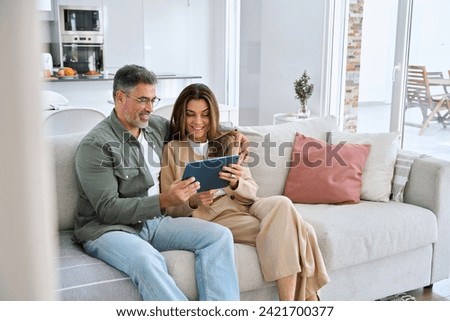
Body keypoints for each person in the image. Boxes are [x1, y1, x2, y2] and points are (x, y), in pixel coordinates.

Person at [74, 65, 240, 301]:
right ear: (120, 97)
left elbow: (196, 126)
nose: (150, 108)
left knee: (219, 236)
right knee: (147, 259)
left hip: (153, 222)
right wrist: (164, 200)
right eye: (143, 100)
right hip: (107, 230)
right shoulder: (96, 145)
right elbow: (108, 210)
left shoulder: (154, 126)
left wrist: (233, 133)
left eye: (153, 99)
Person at [161, 83, 330, 301]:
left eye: (204, 115)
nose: (198, 122)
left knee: (282, 203)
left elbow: (252, 190)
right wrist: (193, 200)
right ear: (181, 116)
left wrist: (236, 182)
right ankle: (301, 302)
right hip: (216, 216)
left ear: (212, 116)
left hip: (248, 204)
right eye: (191, 114)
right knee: (303, 230)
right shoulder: (172, 150)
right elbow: (168, 208)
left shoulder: (229, 140)